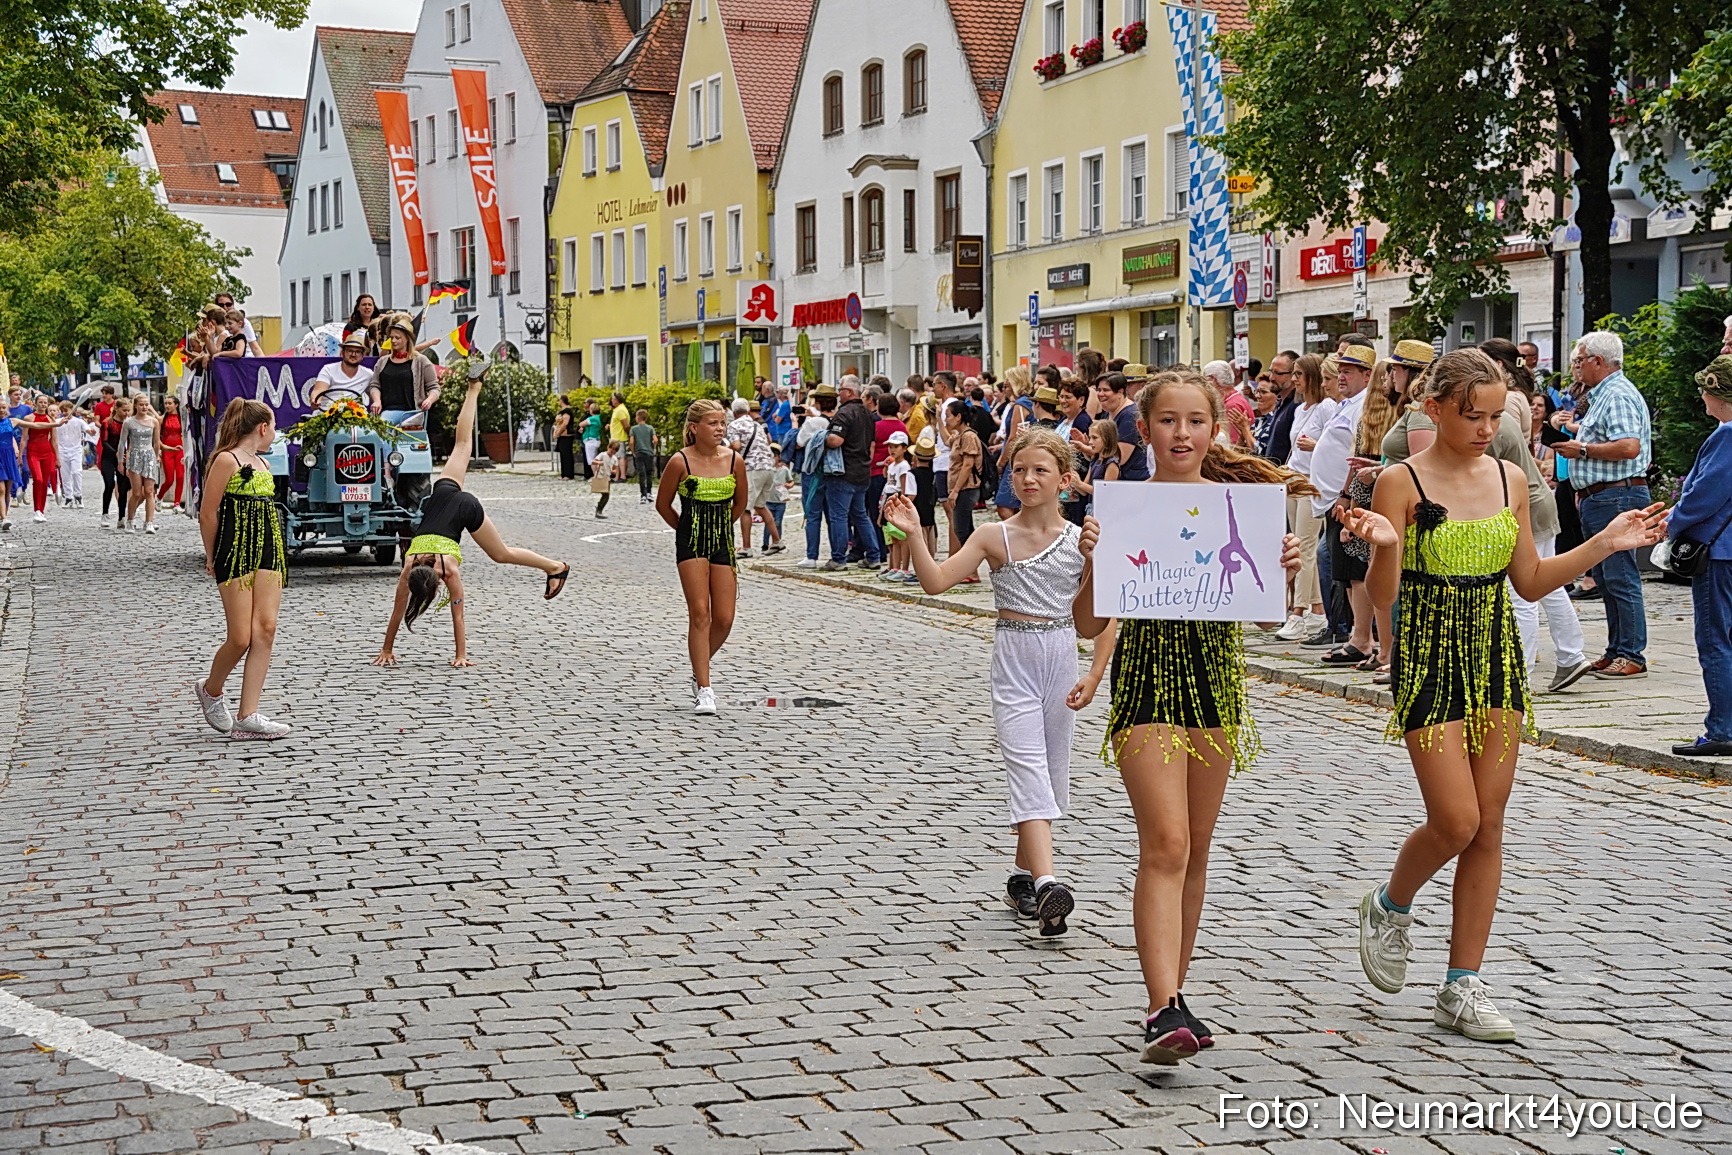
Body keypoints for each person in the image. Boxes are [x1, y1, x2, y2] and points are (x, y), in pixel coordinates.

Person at [1343, 348, 1666, 1042]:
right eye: (1473, 415)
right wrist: (1385, 544)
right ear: (1434, 408)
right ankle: (1390, 903)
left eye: (1495, 415)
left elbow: (1529, 579)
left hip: (1496, 657)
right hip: (1430, 657)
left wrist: (1606, 542)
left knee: (1488, 824)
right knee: (1454, 819)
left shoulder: (1509, 477)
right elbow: (1383, 596)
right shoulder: (1398, 481)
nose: (1488, 428)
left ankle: (1462, 985)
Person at [1070, 371, 1308, 1064]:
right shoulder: (1126, 508)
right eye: (1168, 421)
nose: (1181, 433)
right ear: (1144, 430)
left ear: (1215, 429)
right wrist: (1092, 561)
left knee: (1197, 849)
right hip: (1145, 680)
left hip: (1212, 683)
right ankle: (1159, 1005)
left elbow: (1264, 613)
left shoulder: (1241, 505)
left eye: (1195, 421)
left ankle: (1177, 992)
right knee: (1167, 843)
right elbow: (1089, 621)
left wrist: (1283, 569)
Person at [886, 425, 1114, 938]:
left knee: (1052, 773)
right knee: (1026, 764)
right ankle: (1052, 882)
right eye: (1019, 470)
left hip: (1061, 655)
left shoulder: (1082, 539)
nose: (1028, 479)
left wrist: (1096, 672)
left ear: (1065, 480)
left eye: (1041, 470)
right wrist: (917, 536)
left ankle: (1022, 878)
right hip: (1013, 655)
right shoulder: (994, 535)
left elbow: (1098, 619)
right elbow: (937, 582)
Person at [371, 372, 570, 669]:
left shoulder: (447, 570)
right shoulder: (411, 565)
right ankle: (473, 387)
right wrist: (387, 649)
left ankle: (557, 567)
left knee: (501, 554)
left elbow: (453, 614)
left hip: (466, 507)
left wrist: (461, 655)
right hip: (442, 494)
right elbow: (403, 610)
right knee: (462, 445)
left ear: (437, 580)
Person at [1550, 331, 1654, 680]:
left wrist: (1582, 450)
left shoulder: (1618, 394)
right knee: (1607, 577)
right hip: (1602, 495)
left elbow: (1629, 447)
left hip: (1617, 495)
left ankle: (1631, 653)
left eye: (1580, 360)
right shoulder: (1604, 395)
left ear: (1598, 361)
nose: (1576, 367)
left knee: (1620, 576)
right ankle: (1616, 650)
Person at [194, 398, 290, 739]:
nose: (275, 432)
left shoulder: (262, 464)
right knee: (240, 636)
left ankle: (248, 714)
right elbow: (208, 512)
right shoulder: (226, 459)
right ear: (262, 427)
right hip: (235, 550)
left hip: (268, 548)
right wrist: (211, 554)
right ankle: (211, 690)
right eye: (274, 426)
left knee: (265, 628)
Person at [655, 398, 748, 715]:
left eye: (723, 423)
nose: (720, 429)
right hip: (691, 542)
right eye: (713, 423)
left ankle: (699, 667)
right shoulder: (680, 462)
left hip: (722, 539)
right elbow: (663, 504)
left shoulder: (734, 459)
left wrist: (721, 528)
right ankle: (705, 690)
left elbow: (739, 504)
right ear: (694, 428)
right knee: (700, 614)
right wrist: (685, 528)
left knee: (724, 618)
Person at [1666, 355, 1732, 757]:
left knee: (1715, 639)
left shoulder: (1726, 435)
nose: (1702, 397)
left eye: (1705, 390)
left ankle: (1722, 728)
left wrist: (1671, 522)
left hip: (1719, 551)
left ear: (1718, 393)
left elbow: (1704, 494)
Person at [1276, 354, 1338, 640]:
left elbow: (1333, 444)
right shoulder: (1302, 409)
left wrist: (1316, 446)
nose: (1295, 379)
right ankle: (1317, 608)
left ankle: (1298, 611)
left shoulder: (1326, 407)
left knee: (1304, 546)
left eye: (1300, 374)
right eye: (1294, 374)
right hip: (1294, 478)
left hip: (1312, 482)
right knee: (1300, 544)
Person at [820, 375, 881, 571]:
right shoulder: (867, 413)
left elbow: (836, 441)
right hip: (862, 471)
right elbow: (871, 445)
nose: (838, 394)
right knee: (861, 515)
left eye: (840, 390)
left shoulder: (844, 413)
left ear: (850, 392)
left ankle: (838, 559)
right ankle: (873, 555)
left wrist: (822, 438)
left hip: (842, 472)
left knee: (839, 515)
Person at [727, 397, 779, 558]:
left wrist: (725, 451)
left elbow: (736, 446)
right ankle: (777, 541)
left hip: (752, 468)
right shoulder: (756, 424)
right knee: (760, 505)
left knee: (744, 507)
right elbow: (769, 441)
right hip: (768, 467)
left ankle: (746, 548)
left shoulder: (734, 425)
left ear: (734, 412)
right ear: (748, 410)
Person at [369, 315, 442, 424]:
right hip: (384, 412)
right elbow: (375, 385)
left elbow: (435, 388)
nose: (393, 341)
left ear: (407, 339)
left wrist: (429, 400)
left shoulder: (421, 361)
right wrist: (377, 401)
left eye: (397, 338)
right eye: (391, 337)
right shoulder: (382, 361)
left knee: (384, 424)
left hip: (411, 414)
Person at [941, 399, 984, 575]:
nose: (946, 419)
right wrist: (938, 419)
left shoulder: (968, 436)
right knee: (966, 528)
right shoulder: (958, 435)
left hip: (967, 488)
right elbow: (946, 441)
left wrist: (955, 491)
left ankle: (971, 571)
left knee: (962, 529)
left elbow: (967, 465)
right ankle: (970, 569)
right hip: (960, 489)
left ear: (958, 417)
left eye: (948, 416)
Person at [796, 388, 836, 568]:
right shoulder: (837, 419)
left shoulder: (812, 422)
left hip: (812, 471)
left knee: (812, 514)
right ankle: (837, 553)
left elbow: (799, 442)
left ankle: (811, 556)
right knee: (833, 515)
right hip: (833, 470)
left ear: (818, 402)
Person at [16, 395, 67, 523]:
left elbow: (54, 441)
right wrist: (20, 455)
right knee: (38, 479)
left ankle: (41, 511)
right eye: (41, 402)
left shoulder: (51, 419)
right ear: (35, 403)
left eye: (45, 403)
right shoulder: (29, 418)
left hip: (47, 452)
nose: (43, 405)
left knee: (44, 482)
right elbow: (23, 439)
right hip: (33, 452)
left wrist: (57, 458)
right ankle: (36, 510)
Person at [1094, 370, 1149, 482]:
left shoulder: (1129, 416)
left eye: (1105, 390)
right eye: (1098, 390)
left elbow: (1120, 457)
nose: (1100, 394)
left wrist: (1092, 448)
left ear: (1120, 392)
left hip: (1131, 483)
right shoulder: (1107, 413)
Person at [876, 432, 917, 581]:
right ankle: (894, 566)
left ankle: (904, 568)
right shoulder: (892, 465)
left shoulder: (904, 466)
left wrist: (902, 506)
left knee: (902, 538)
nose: (892, 450)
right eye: (890, 447)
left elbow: (904, 489)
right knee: (892, 537)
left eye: (896, 447)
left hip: (897, 498)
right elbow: (887, 486)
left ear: (904, 448)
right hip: (889, 498)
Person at [121, 394, 163, 533]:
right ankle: (130, 520)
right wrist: (121, 461)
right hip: (135, 456)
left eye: (146, 404)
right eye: (141, 404)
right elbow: (123, 443)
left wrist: (156, 458)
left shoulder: (154, 422)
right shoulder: (129, 422)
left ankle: (149, 522)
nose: (144, 407)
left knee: (150, 491)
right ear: (136, 406)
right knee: (137, 492)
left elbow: (156, 443)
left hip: (149, 455)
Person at [310, 334, 375, 406]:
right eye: (350, 351)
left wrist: (377, 402)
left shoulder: (368, 374)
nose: (353, 354)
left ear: (363, 355)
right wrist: (315, 400)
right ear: (343, 353)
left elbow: (375, 392)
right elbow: (318, 390)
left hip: (355, 414)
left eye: (358, 352)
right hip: (326, 412)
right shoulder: (328, 369)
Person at [1203, 360, 1255, 446]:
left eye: (1204, 380)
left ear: (1212, 379)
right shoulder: (1234, 399)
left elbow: (1232, 443)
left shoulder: (1232, 405)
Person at [98, 396, 131, 527]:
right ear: (116, 409)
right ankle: (105, 513)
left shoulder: (128, 423)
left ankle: (121, 516)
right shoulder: (108, 423)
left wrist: (127, 453)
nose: (126, 414)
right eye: (124, 410)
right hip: (109, 457)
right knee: (109, 483)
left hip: (124, 457)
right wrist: (117, 452)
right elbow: (104, 442)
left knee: (123, 488)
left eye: (128, 410)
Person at [53, 401, 85, 509]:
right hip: (62, 450)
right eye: (62, 411)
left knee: (76, 472)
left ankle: (78, 496)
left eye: (66, 411)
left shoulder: (79, 422)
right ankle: (68, 497)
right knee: (65, 475)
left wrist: (90, 431)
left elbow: (87, 429)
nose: (64, 413)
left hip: (76, 450)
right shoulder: (58, 422)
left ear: (72, 410)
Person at [158, 396, 186, 511]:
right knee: (169, 480)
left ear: (176, 405)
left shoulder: (182, 418)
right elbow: (157, 434)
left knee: (180, 477)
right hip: (167, 450)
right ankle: (159, 498)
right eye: (166, 403)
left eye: (170, 403)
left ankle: (177, 504)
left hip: (179, 449)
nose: (167, 406)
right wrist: (159, 450)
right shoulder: (163, 418)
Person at [0, 401, 23, 531]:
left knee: (8, 490)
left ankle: (3, 516)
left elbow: (35, 425)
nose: (1, 410)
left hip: (8, 457)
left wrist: (57, 423)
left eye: (3, 408)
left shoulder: (12, 421)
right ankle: (4, 518)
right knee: (1, 489)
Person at [765, 445, 792, 550]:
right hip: (768, 500)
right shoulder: (767, 470)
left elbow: (791, 481)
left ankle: (777, 541)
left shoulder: (784, 470)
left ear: (779, 457)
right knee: (768, 522)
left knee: (778, 522)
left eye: (774, 456)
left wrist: (789, 485)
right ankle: (765, 543)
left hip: (781, 501)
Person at [630, 409, 658, 503]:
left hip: (639, 453)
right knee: (649, 473)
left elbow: (631, 441)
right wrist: (652, 447)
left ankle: (643, 495)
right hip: (649, 453)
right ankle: (649, 493)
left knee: (641, 474)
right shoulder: (650, 428)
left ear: (638, 418)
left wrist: (633, 451)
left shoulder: (634, 429)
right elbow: (655, 440)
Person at [609, 393, 631, 480]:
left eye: (613, 399)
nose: (611, 400)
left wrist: (628, 433)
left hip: (619, 436)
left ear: (617, 400)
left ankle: (622, 476)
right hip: (616, 436)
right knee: (618, 457)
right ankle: (618, 476)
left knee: (620, 457)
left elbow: (625, 425)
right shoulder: (618, 409)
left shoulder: (620, 410)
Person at [591, 440, 616, 518]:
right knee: (605, 494)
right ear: (608, 447)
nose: (612, 453)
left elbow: (615, 468)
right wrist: (599, 463)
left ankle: (599, 509)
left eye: (614, 452)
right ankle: (599, 510)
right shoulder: (602, 455)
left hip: (607, 478)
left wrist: (614, 471)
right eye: (611, 450)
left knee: (606, 495)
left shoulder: (614, 458)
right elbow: (593, 462)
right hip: (600, 476)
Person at [580, 401, 604, 472]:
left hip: (590, 440)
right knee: (595, 458)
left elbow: (581, 424)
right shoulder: (599, 418)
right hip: (597, 439)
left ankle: (595, 476)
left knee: (591, 460)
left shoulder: (591, 419)